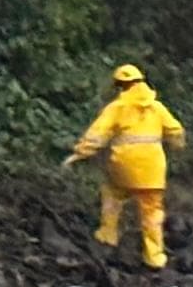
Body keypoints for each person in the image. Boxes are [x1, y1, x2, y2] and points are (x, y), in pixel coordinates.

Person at [64, 64, 186, 270]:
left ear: (120, 86)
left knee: (112, 195)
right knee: (152, 212)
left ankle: (107, 236)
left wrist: (79, 153)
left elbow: (97, 135)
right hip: (152, 171)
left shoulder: (116, 108)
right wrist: (178, 145)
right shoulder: (156, 107)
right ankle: (154, 257)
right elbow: (175, 130)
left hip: (123, 168)